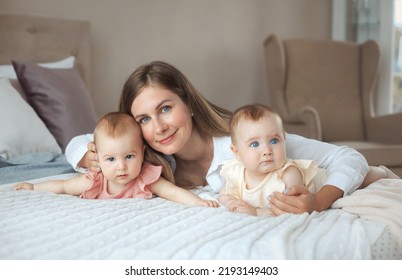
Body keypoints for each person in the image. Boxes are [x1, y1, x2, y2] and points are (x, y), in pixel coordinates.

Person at [65, 60, 371, 216]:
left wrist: (318, 201)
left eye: (166, 108)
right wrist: (85, 154)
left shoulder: (249, 143)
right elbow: (76, 143)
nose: (158, 127)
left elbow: (350, 157)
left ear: (189, 103)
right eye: (144, 119)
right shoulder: (146, 165)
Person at [218, 104, 399, 216]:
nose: (267, 151)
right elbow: (224, 194)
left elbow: (292, 207)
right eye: (254, 144)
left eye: (274, 141)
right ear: (237, 153)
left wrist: (256, 212)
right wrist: (231, 202)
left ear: (284, 141)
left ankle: (382, 171)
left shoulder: (288, 173)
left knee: (365, 177)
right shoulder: (234, 171)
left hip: (327, 180)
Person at [14, 112, 219, 208]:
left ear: (142, 152)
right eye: (110, 159)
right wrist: (34, 188)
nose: (121, 166)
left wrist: (199, 202)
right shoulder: (95, 180)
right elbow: (64, 186)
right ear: (99, 158)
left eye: (129, 156)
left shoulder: (145, 177)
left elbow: (172, 192)